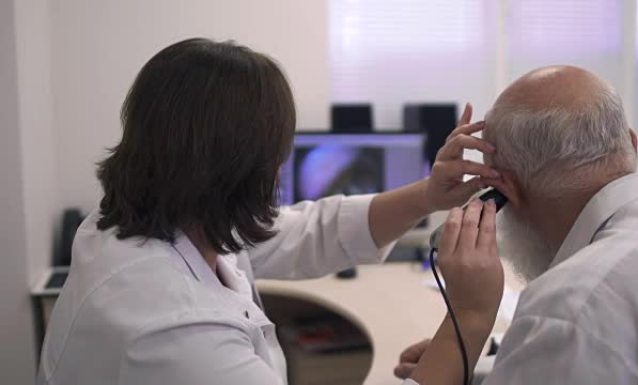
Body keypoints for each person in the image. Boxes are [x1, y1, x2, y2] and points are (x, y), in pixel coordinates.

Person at [37, 38, 501, 385]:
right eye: (277, 152)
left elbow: (309, 232)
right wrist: (470, 315)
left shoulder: (149, 222)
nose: (280, 167)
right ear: (240, 166)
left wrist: (428, 195)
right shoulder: (171, 330)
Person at [397, 65, 638, 385]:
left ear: (505, 192)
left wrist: (467, 318)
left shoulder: (566, 308)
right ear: (631, 143)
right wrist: (466, 366)